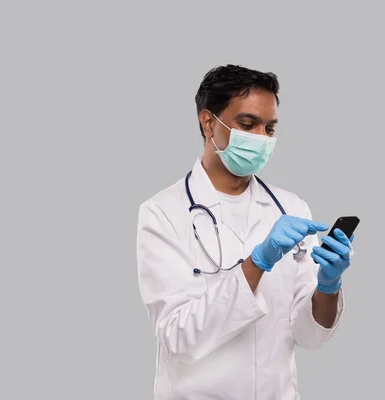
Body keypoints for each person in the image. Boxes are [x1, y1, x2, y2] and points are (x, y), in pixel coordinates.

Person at [136, 64, 355, 400]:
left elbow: (309, 336)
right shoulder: (162, 213)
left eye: (269, 128)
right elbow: (177, 336)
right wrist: (258, 262)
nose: (261, 139)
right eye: (247, 124)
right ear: (208, 122)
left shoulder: (291, 209)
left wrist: (328, 285)